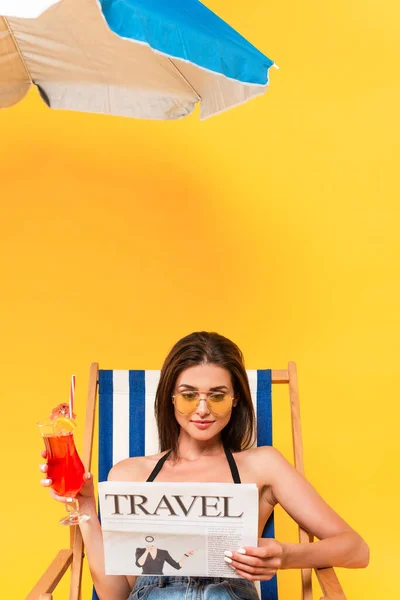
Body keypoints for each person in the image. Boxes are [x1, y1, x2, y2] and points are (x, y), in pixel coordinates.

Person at [40, 331, 369, 600]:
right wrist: (84, 505)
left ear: (235, 398)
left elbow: (356, 549)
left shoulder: (262, 465)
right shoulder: (130, 474)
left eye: (217, 395)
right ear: (170, 397)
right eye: (188, 395)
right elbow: (116, 594)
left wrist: (286, 555)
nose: (202, 409)